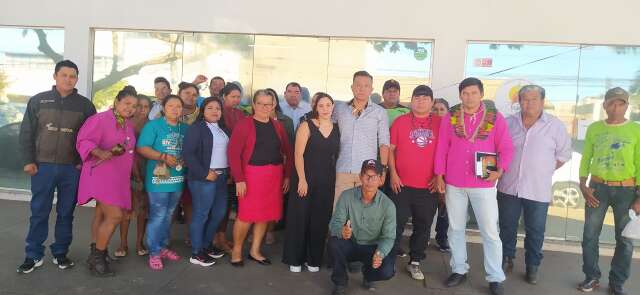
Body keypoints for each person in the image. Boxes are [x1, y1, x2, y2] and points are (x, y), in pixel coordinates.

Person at [434, 78, 513, 295]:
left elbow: (506, 147)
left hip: (483, 184)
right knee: (456, 228)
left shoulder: (495, 118)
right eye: (465, 93)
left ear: (481, 94)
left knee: (489, 231)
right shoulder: (450, 117)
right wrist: (439, 175)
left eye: (474, 93)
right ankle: (459, 269)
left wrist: (501, 169)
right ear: (460, 95)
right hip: (454, 182)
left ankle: (495, 277)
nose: (469, 97)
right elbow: (442, 146)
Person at [17, 60, 97, 274]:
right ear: (55, 76)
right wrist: (28, 160)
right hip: (42, 167)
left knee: (65, 213)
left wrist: (82, 163)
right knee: (39, 212)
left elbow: (91, 137)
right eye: (64, 75)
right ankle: (33, 254)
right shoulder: (38, 101)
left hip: (71, 169)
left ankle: (60, 253)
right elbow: (26, 133)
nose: (68, 79)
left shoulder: (85, 106)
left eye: (73, 76)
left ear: (77, 79)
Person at [496, 85, 572, 284]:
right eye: (524, 99)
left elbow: (563, 155)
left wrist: (542, 170)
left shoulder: (555, 126)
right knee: (507, 226)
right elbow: (497, 149)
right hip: (508, 186)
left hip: (537, 189)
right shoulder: (508, 123)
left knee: (535, 230)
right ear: (518, 101)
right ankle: (506, 258)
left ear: (542, 101)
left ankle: (532, 266)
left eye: (534, 99)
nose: (528, 103)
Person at [577, 87, 640, 295]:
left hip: (627, 190)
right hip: (597, 188)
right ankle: (592, 276)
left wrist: (639, 197)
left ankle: (616, 282)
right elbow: (586, 156)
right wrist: (583, 184)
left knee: (625, 239)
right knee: (589, 235)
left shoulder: (635, 130)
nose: (615, 108)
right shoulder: (595, 128)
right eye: (612, 103)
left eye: (620, 103)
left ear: (626, 106)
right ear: (605, 105)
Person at [76, 88, 138, 276]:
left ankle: (95, 254)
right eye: (127, 103)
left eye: (134, 106)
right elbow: (83, 140)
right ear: (117, 101)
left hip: (117, 177)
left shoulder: (127, 124)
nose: (130, 108)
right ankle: (98, 258)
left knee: (101, 215)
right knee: (115, 216)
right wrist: (99, 152)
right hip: (101, 174)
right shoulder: (100, 119)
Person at [227, 90, 293, 267]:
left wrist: (287, 175)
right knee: (245, 215)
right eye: (261, 103)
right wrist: (239, 179)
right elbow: (233, 153)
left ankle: (255, 251)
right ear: (254, 105)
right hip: (251, 176)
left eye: (268, 104)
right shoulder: (244, 125)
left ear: (273, 106)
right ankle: (237, 250)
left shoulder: (277, 126)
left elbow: (288, 152)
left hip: (274, 176)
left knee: (265, 215)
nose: (265, 107)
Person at [388, 85, 441, 281]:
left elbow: (445, 153)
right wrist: (392, 173)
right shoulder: (400, 122)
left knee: (424, 225)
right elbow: (391, 150)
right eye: (417, 98)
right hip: (400, 184)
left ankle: (415, 261)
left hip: (428, 187)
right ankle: (389, 258)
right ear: (411, 100)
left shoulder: (440, 123)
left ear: (432, 102)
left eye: (426, 98)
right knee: (395, 223)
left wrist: (439, 175)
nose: (421, 101)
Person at [282, 92, 340, 273]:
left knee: (320, 219)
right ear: (315, 107)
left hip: (327, 180)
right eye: (321, 105)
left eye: (328, 105)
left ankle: (313, 259)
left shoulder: (337, 127)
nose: (325, 109)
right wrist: (302, 180)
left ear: (332, 107)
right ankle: (295, 258)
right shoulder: (306, 125)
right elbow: (298, 154)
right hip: (305, 178)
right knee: (300, 218)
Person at [329, 159, 396, 295]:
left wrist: (380, 253)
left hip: (372, 248)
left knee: (388, 270)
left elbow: (389, 237)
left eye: (374, 177)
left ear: (381, 179)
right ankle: (340, 282)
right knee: (334, 243)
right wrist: (342, 231)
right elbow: (334, 224)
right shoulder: (346, 196)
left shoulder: (388, 206)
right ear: (360, 176)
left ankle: (368, 275)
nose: (370, 180)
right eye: (366, 175)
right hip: (351, 243)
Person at [136, 95, 187, 270]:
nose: (175, 109)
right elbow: (142, 148)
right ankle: (154, 252)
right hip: (159, 178)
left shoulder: (185, 128)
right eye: (171, 105)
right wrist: (162, 156)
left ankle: (163, 247)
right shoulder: (154, 126)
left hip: (177, 178)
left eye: (179, 106)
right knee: (158, 214)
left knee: (169, 214)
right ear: (163, 108)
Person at [183, 97, 230, 267]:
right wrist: (204, 173)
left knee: (219, 213)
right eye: (210, 108)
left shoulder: (223, 129)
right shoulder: (197, 128)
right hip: (204, 178)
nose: (214, 111)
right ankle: (196, 252)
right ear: (203, 111)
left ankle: (206, 245)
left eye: (218, 108)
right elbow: (188, 154)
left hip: (222, 177)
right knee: (201, 214)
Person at [333, 71, 390, 207]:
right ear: (352, 87)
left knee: (364, 213)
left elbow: (384, 143)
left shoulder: (379, 112)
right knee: (340, 211)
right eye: (358, 85)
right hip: (343, 169)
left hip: (368, 173)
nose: (361, 89)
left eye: (366, 86)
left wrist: (383, 170)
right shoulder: (340, 109)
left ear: (371, 89)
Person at [116, 94, 153, 258]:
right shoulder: (124, 124)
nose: (142, 110)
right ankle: (123, 243)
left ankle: (139, 242)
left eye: (146, 107)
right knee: (126, 208)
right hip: (126, 171)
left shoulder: (153, 126)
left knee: (143, 209)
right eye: (139, 106)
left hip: (147, 169)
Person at [213, 82, 247, 253]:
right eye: (233, 96)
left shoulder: (241, 114)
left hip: (237, 164)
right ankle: (214, 237)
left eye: (238, 97)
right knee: (218, 203)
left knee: (227, 204)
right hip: (220, 163)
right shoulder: (218, 113)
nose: (236, 100)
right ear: (224, 97)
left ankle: (221, 237)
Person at [431, 98, 451, 252]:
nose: (438, 112)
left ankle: (441, 237)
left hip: (448, 173)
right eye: (435, 109)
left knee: (445, 208)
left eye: (441, 109)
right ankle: (423, 237)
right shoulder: (427, 126)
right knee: (428, 208)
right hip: (429, 173)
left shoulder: (453, 128)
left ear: (447, 112)